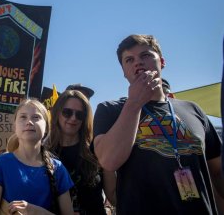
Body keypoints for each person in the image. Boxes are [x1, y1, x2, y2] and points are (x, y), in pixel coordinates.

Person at [93, 34, 224, 214]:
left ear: (162, 62)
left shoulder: (193, 109)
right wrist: (134, 103)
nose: (138, 62)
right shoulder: (110, 110)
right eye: (129, 60)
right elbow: (109, 160)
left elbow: (217, 172)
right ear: (123, 71)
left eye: (146, 55)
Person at [0, 99, 74, 215]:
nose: (29, 122)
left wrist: (35, 211)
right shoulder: (1, 163)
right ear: (15, 126)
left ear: (46, 128)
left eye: (36, 117)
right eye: (23, 117)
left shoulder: (58, 169)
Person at [47, 90, 116, 215]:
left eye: (80, 115)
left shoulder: (97, 149)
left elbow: (114, 196)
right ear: (57, 113)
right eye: (67, 112)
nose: (73, 118)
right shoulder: (43, 151)